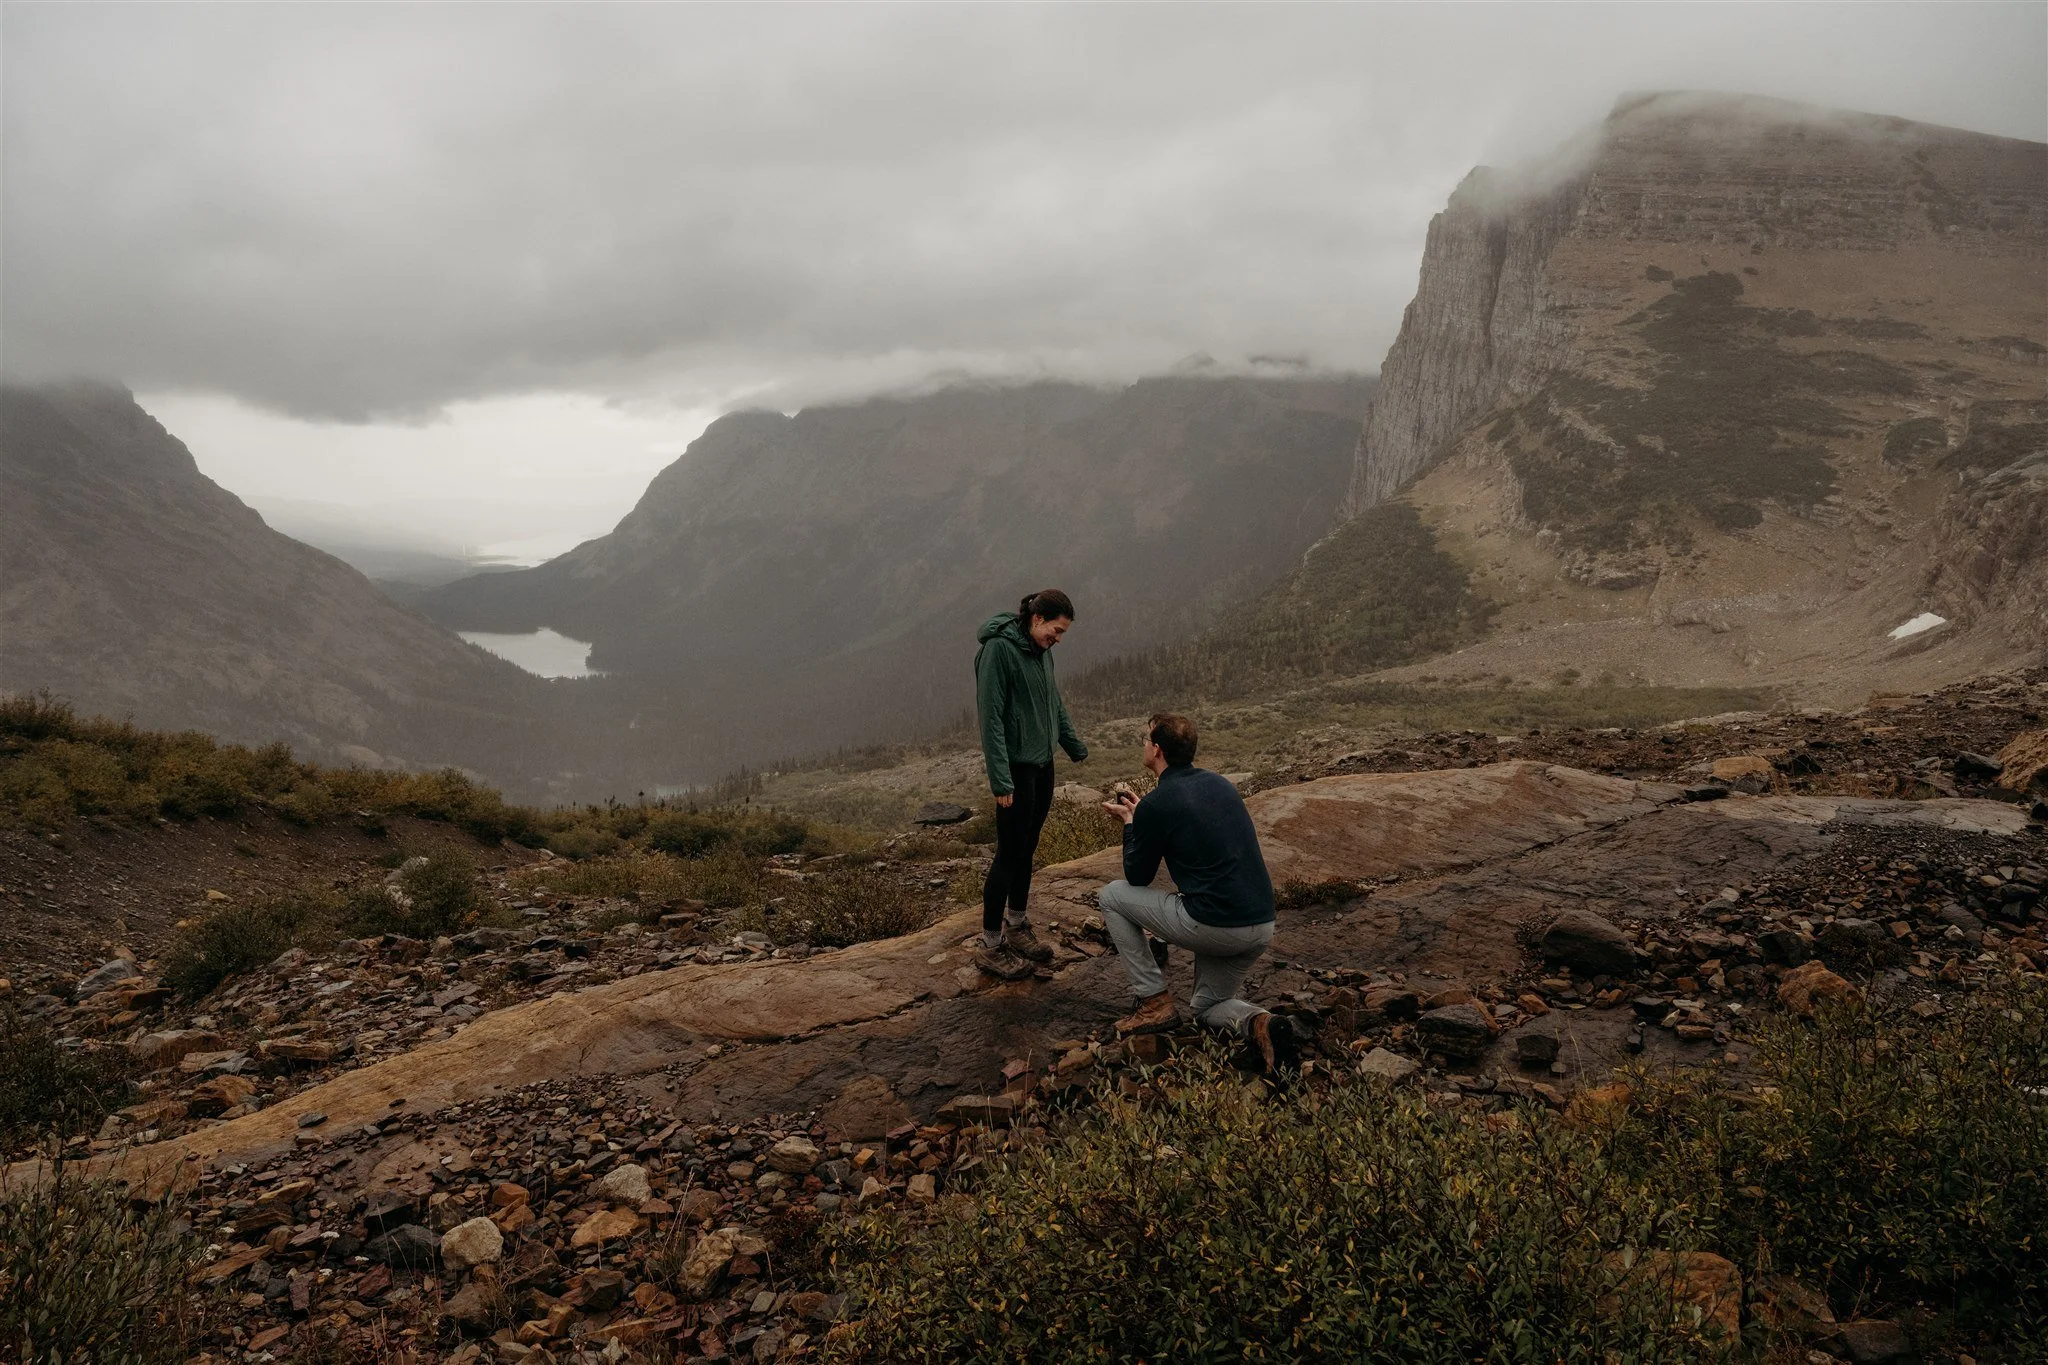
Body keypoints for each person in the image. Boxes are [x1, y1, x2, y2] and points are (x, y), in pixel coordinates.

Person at [1097, 712, 1298, 1070]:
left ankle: (1153, 999)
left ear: (1157, 751)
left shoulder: (1159, 804)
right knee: (1206, 1009)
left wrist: (1131, 824)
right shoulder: (1219, 784)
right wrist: (1145, 813)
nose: (1144, 745)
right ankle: (1263, 1023)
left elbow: (1137, 876)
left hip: (1214, 925)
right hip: (1261, 924)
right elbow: (1188, 818)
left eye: (1146, 740)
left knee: (1112, 896)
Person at [972, 588, 1088, 980]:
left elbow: (1052, 701)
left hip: (1042, 764)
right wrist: (1001, 779)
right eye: (1055, 630)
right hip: (1017, 771)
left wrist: (1072, 744)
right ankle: (990, 944)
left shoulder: (1042, 652)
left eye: (1061, 635)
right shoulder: (998, 651)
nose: (1057, 639)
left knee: (1028, 847)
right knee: (1008, 853)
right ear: (1037, 619)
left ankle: (1017, 926)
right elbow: (991, 718)